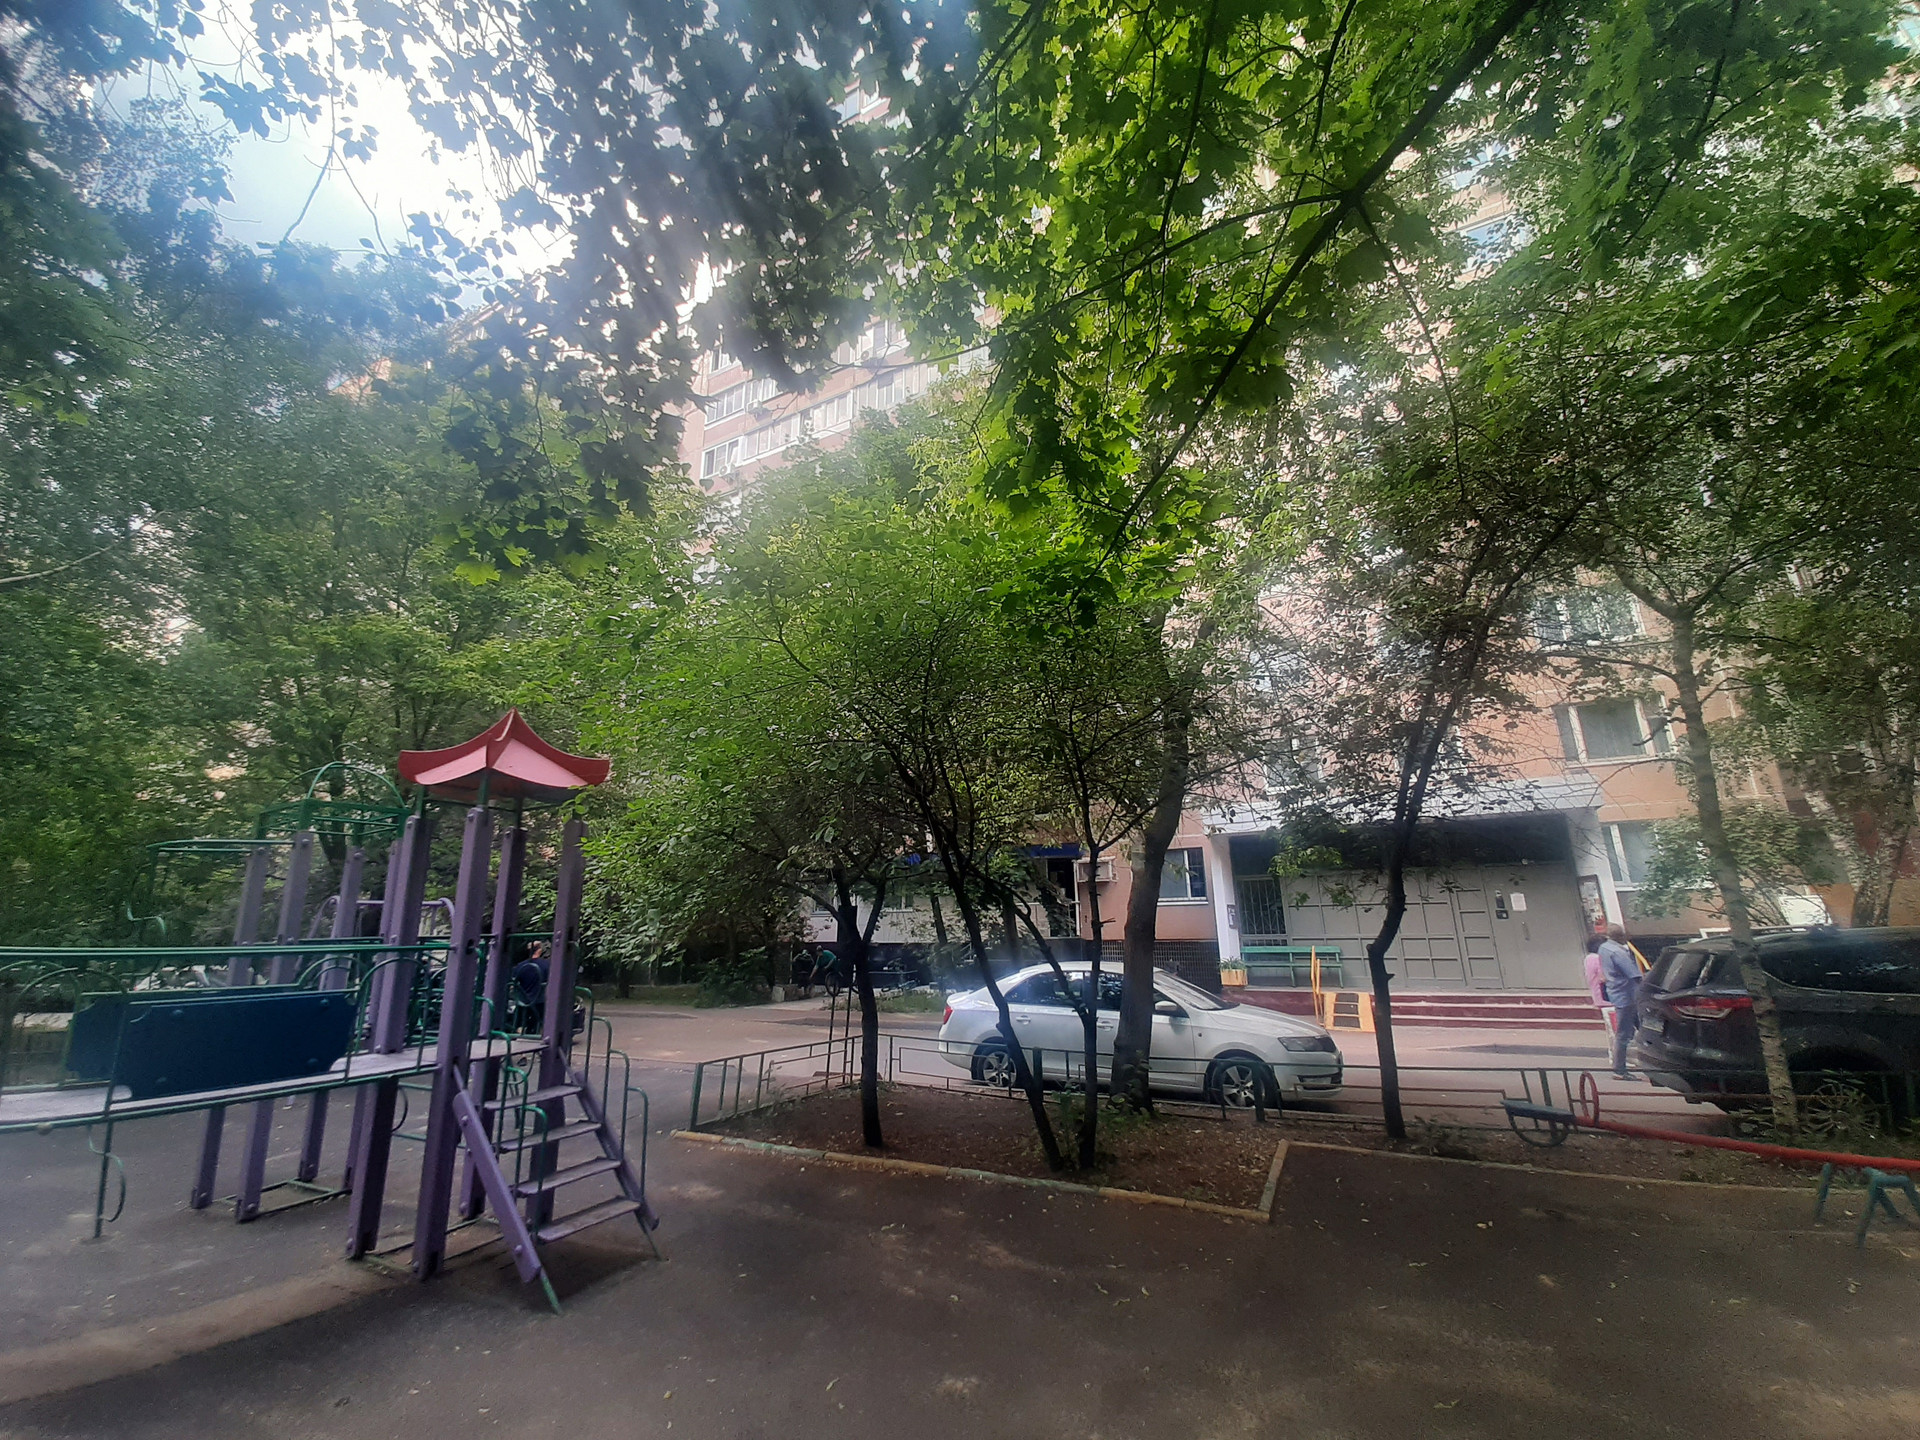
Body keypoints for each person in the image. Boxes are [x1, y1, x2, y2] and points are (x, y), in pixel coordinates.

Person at [1597, 924, 1641, 1079]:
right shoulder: (1618, 952)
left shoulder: (1604, 947)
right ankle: (1619, 1069)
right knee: (1624, 1034)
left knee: (1642, 1028)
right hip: (1627, 996)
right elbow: (1634, 975)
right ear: (1621, 936)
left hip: (1617, 993)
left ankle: (1649, 1061)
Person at [1581, 932, 1616, 1040]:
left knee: (1609, 1024)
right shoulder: (1599, 958)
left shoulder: (1588, 958)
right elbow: (1604, 977)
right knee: (1615, 1024)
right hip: (1607, 996)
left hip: (1598, 995)